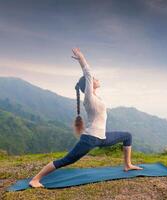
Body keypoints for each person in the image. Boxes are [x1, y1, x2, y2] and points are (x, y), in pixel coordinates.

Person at [29, 47, 143, 188]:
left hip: (101, 138)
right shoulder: (89, 97)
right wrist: (82, 58)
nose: (97, 79)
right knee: (67, 160)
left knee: (127, 136)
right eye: (94, 79)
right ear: (89, 85)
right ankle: (35, 179)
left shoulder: (96, 97)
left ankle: (127, 165)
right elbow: (88, 73)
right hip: (90, 139)